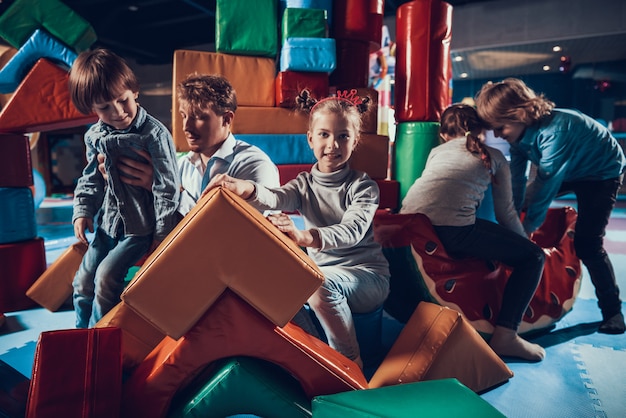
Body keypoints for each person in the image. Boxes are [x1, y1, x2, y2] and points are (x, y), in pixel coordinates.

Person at [204, 89, 391, 369]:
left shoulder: (363, 186)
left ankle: (350, 362)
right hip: (322, 278)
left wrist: (304, 236)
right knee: (277, 284)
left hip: (366, 278)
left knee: (319, 282)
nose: (333, 144)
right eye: (325, 134)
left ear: (355, 141)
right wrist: (246, 187)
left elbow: (351, 230)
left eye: (343, 136)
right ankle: (311, 353)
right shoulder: (304, 184)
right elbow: (277, 197)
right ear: (310, 139)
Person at [475, 78, 626, 335]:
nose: (498, 135)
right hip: (572, 166)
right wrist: (515, 214)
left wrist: (525, 235)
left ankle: (613, 311)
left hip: (601, 173)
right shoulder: (520, 134)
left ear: (519, 114)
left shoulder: (557, 132)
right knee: (524, 204)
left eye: (500, 128)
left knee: (588, 244)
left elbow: (545, 187)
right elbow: (518, 180)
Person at [400, 103, 547, 361]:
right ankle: (507, 335)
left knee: (477, 233)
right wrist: (525, 243)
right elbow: (506, 214)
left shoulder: (436, 151)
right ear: (482, 130)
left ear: (444, 134)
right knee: (533, 258)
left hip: (410, 225)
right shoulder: (494, 157)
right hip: (452, 231)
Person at [68, 48, 181, 328]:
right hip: (107, 227)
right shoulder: (94, 135)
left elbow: (167, 188)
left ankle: (99, 337)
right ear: (92, 109)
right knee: (82, 281)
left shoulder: (153, 134)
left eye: (122, 100)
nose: (118, 112)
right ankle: (80, 335)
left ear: (134, 92)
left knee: (106, 278)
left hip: (138, 230)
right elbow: (91, 177)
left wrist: (162, 236)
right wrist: (82, 211)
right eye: (104, 107)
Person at [100, 73, 280, 217]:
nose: (186, 127)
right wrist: (124, 182)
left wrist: (167, 189)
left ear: (227, 119)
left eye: (199, 117)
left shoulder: (254, 165)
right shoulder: (181, 166)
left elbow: (234, 237)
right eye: (184, 116)